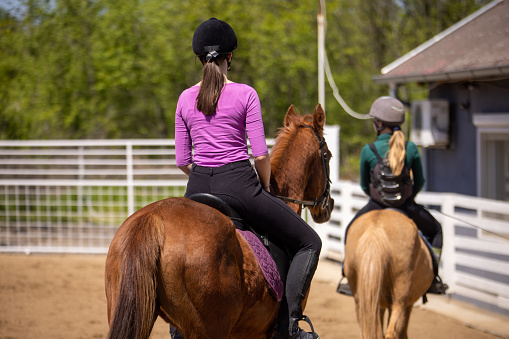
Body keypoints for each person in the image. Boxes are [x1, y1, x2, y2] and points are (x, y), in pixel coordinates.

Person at [173, 18, 322, 339]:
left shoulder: (185, 98)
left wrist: (202, 175)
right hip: (239, 185)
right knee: (310, 241)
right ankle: (290, 326)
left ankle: (178, 326)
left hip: (197, 186)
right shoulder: (245, 94)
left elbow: (182, 160)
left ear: (199, 59)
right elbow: (259, 155)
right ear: (230, 57)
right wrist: (265, 186)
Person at [339, 96, 446, 295]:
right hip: (405, 206)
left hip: (377, 205)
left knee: (350, 230)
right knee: (437, 230)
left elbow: (364, 184)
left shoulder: (368, 150)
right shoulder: (411, 148)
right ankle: (434, 278)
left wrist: (378, 198)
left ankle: (347, 276)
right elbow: (420, 181)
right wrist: (406, 199)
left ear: (379, 123)